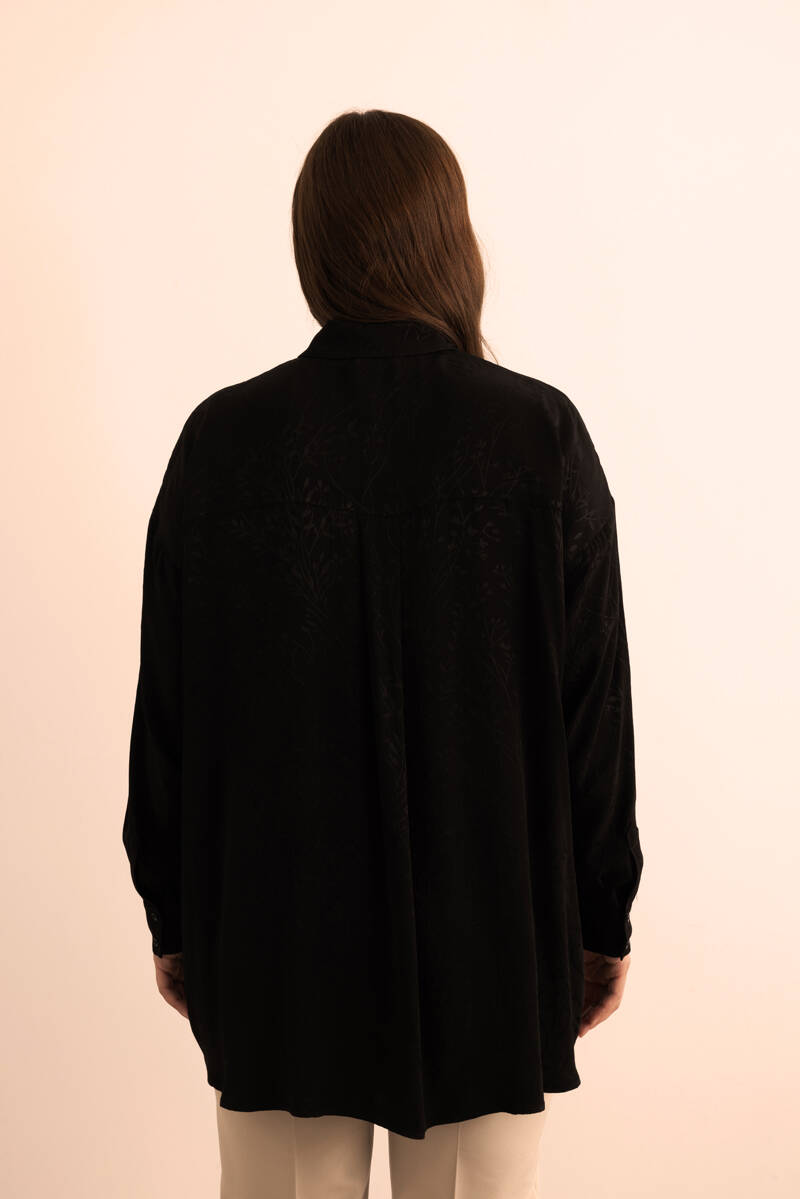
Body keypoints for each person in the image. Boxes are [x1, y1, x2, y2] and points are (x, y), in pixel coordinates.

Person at [122, 107, 644, 1198]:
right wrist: (599, 917)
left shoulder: (223, 441)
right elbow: (592, 711)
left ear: (312, 246)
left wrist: (176, 919)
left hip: (274, 941)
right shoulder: (538, 436)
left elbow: (167, 708)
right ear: (450, 238)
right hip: (492, 942)